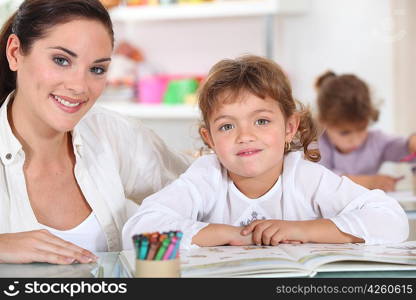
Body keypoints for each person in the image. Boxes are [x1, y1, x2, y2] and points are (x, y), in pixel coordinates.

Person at [122, 55, 409, 250]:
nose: (245, 136)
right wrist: (231, 235)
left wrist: (300, 230)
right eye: (226, 126)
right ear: (209, 138)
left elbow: (392, 220)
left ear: (290, 127)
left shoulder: (305, 177)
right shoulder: (205, 176)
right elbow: (137, 231)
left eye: (262, 121)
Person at [0, 0, 189, 264]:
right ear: (15, 53)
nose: (80, 86)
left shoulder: (114, 133)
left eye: (96, 69)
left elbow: (204, 193)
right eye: (61, 60)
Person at [315, 71, 416, 192]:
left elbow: (402, 147)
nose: (356, 140)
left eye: (362, 129)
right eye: (345, 133)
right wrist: (369, 182)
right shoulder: (317, 147)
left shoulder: (375, 141)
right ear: (324, 122)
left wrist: (411, 143)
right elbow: (321, 180)